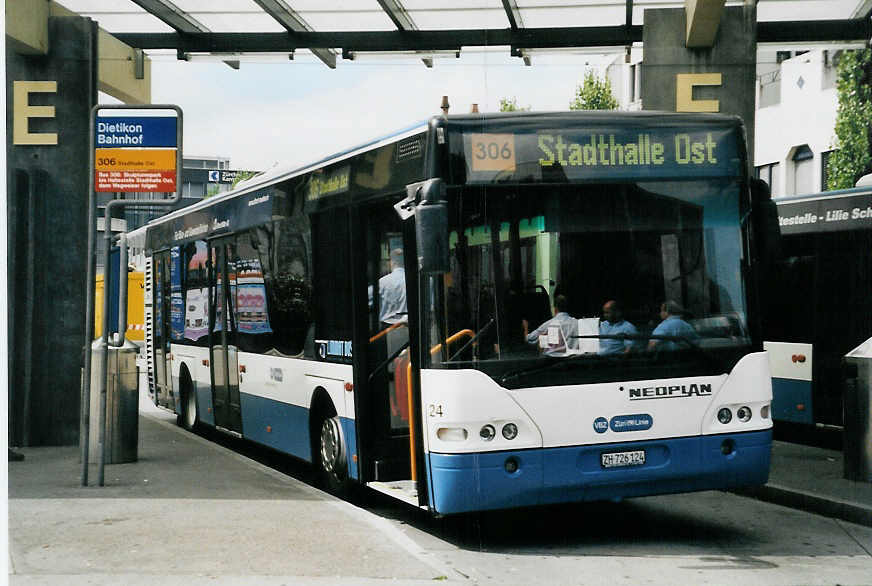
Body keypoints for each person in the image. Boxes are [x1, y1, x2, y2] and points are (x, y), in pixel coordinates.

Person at [369, 248, 407, 326]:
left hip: (388, 331)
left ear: (392, 262)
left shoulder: (382, 282)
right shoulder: (423, 280)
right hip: (416, 329)